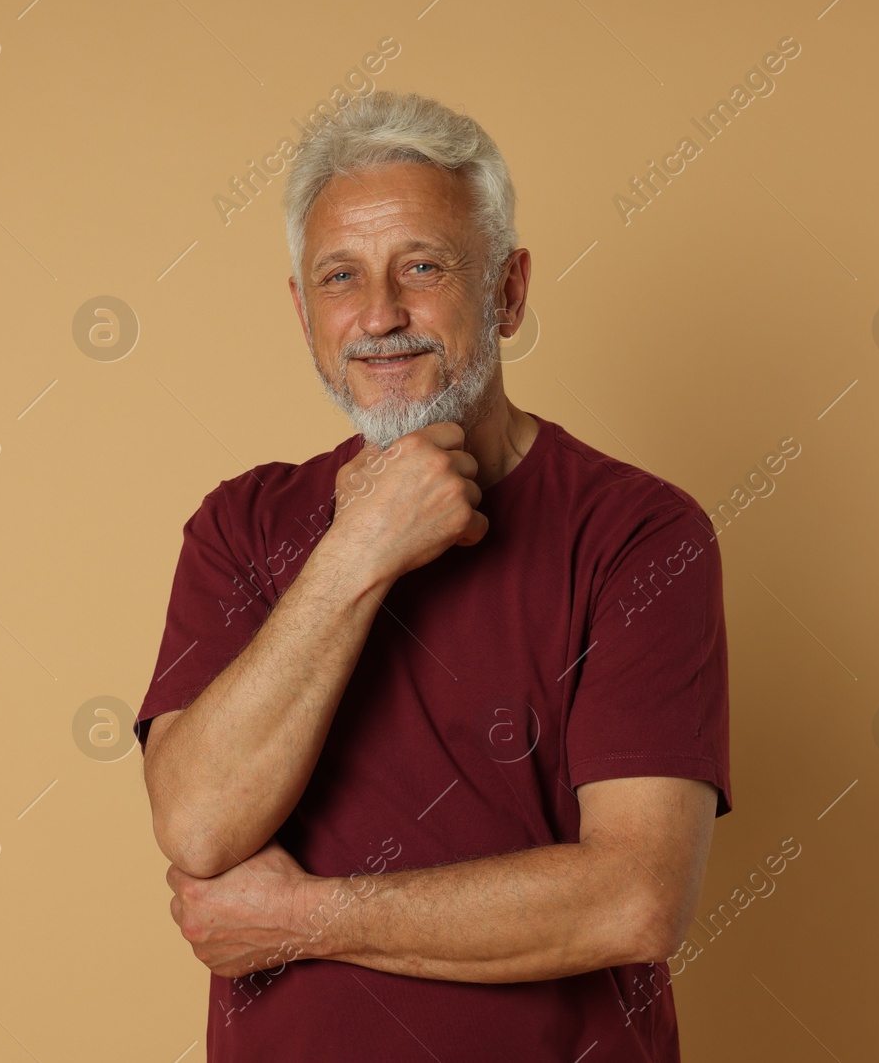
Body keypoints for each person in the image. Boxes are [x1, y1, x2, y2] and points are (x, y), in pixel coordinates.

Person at [134, 89, 731, 1062]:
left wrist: (305, 917)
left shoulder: (640, 533)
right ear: (301, 309)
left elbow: (636, 896)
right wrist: (360, 548)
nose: (379, 314)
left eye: (422, 265)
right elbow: (198, 823)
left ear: (507, 288)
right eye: (339, 276)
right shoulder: (239, 527)